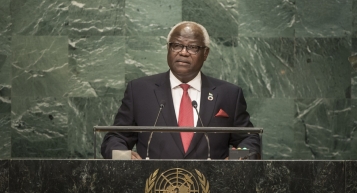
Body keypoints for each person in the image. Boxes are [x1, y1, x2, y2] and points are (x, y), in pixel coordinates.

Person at [101, 21, 260, 160]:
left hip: (213, 188)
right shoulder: (140, 91)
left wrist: (236, 158)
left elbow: (250, 141)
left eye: (192, 47)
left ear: (205, 53)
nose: (183, 52)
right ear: (168, 49)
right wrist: (123, 155)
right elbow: (114, 139)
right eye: (176, 45)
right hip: (155, 188)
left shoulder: (229, 94)